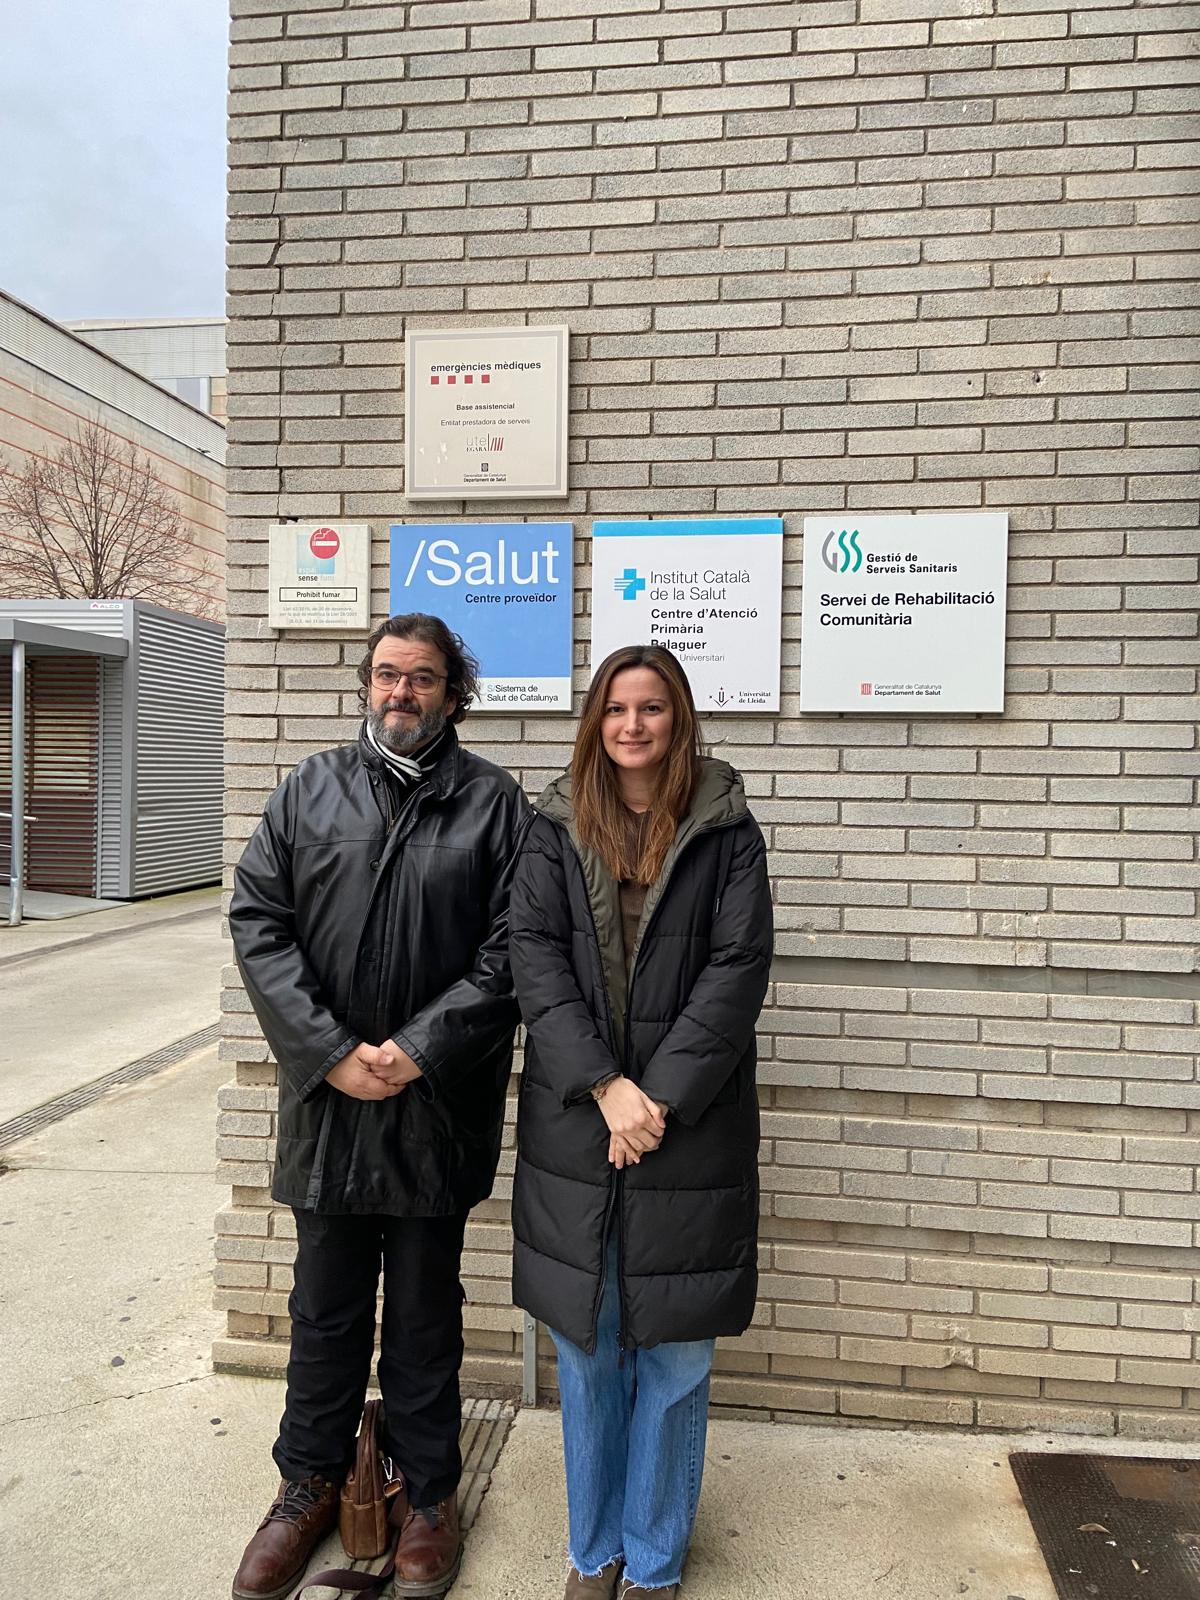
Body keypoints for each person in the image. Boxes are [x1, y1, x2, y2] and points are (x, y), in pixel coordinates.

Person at [227, 613, 531, 1600]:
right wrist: (328, 1052)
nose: (402, 693)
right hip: (329, 1107)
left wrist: (413, 1051)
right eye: (388, 676)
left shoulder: (494, 805)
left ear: (455, 693)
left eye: (425, 679)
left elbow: (512, 952)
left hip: (433, 1106)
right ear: (367, 684)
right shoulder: (307, 790)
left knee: (424, 1312)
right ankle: (307, 1484)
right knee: (321, 1308)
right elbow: (258, 920)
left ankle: (427, 1491)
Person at [509, 644, 773, 1599]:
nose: (632, 725)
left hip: (685, 1126)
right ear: (595, 719)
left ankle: (654, 1557)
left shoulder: (726, 827)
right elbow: (532, 959)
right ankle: (596, 1551)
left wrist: (654, 1097)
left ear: (679, 717)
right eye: (616, 708)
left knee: (670, 1352)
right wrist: (607, 1088)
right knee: (587, 1344)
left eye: (651, 708)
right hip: (579, 1121)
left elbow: (737, 970)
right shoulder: (551, 823)